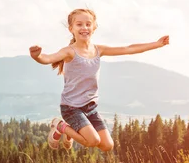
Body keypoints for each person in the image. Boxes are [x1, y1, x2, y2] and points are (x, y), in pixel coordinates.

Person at [29, 8, 169, 151]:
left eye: (88, 24)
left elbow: (128, 48)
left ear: (94, 27)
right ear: (71, 28)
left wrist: (156, 44)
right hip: (71, 108)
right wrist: (37, 56)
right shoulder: (69, 51)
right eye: (79, 24)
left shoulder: (98, 50)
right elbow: (48, 58)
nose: (84, 28)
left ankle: (73, 130)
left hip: (91, 108)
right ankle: (61, 126)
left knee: (108, 145)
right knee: (92, 140)